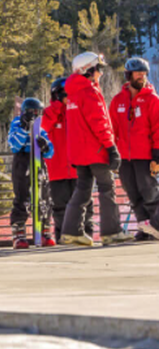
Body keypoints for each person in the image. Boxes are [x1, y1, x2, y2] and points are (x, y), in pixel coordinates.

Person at [61, 52, 131, 246]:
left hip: (78, 152)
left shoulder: (73, 94)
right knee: (107, 188)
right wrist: (111, 147)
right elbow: (100, 122)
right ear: (88, 70)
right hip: (96, 150)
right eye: (98, 69)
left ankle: (71, 232)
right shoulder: (90, 92)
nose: (101, 73)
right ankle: (112, 232)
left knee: (82, 190)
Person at [110, 57, 159, 240]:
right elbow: (112, 129)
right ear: (128, 75)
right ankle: (144, 228)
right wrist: (112, 153)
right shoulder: (117, 101)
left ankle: (156, 227)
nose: (142, 77)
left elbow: (157, 128)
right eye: (138, 74)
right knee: (133, 193)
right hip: (124, 157)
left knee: (149, 192)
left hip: (145, 155)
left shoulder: (152, 99)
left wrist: (156, 154)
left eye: (144, 74)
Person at [6, 97, 55, 248]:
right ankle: (19, 234)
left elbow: (50, 151)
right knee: (22, 197)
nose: (35, 115)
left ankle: (45, 231)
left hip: (38, 161)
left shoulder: (41, 127)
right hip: (23, 161)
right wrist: (24, 128)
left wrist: (46, 147)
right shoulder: (16, 123)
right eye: (32, 112)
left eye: (38, 112)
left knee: (44, 196)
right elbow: (14, 146)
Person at [42, 78, 81, 241]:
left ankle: (85, 233)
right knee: (60, 207)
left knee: (82, 205)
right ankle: (62, 237)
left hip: (78, 168)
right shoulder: (50, 112)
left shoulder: (76, 110)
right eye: (64, 93)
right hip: (57, 170)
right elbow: (43, 127)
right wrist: (58, 105)